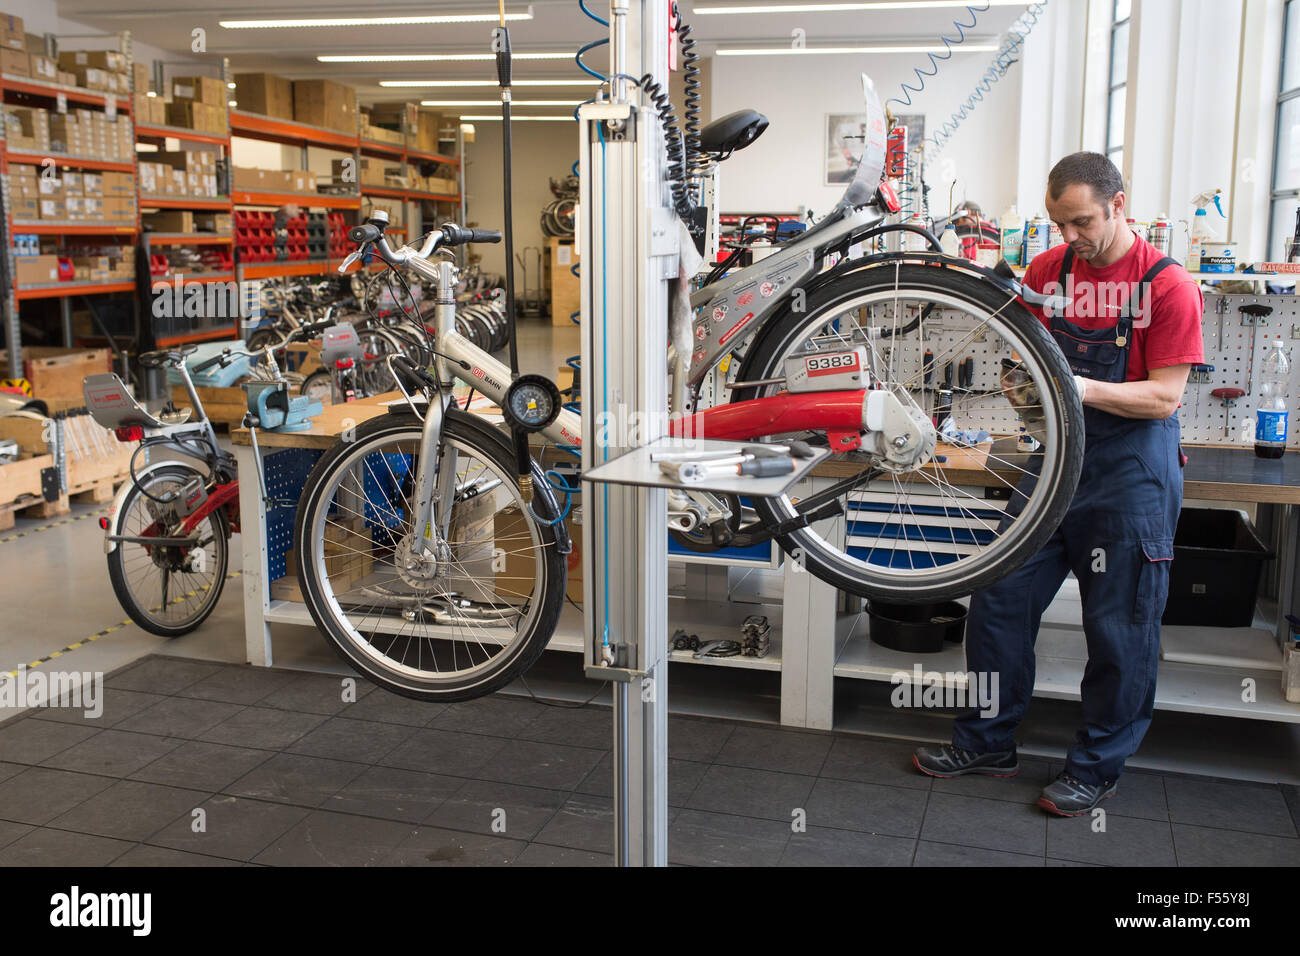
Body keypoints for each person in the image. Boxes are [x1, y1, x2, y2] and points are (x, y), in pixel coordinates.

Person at [913, 152, 1204, 816]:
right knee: (998, 599)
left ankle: (1096, 768)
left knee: (1119, 627)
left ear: (1119, 205)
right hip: (1054, 463)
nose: (1070, 237)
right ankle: (987, 742)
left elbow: (1164, 396)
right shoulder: (1049, 271)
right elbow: (1024, 364)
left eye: (1082, 222)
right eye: (1058, 224)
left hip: (1131, 473)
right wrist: (1025, 392)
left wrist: (1077, 389)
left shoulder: (1168, 286)